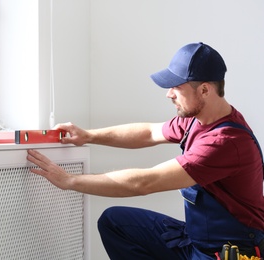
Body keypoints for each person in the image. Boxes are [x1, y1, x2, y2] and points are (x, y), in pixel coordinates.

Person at [26, 42, 264, 259]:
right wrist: (88, 135)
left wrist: (70, 181)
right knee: (115, 222)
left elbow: (144, 183)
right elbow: (149, 133)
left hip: (225, 251)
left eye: (176, 87)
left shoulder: (224, 142)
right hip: (196, 241)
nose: (169, 93)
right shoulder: (197, 120)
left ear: (204, 90)